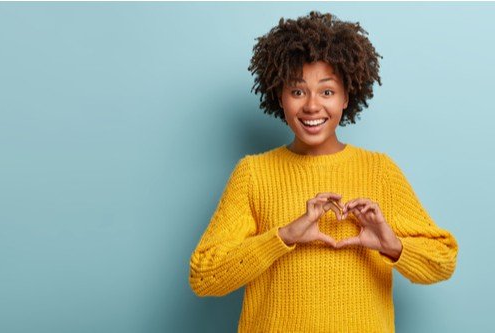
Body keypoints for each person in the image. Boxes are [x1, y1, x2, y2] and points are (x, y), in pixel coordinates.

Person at [188, 11, 458, 333]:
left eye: (327, 92)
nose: (312, 106)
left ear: (346, 97)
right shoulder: (253, 174)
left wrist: (391, 243)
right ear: (279, 95)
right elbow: (204, 275)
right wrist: (284, 236)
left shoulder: (380, 171)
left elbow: (442, 261)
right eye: (298, 91)